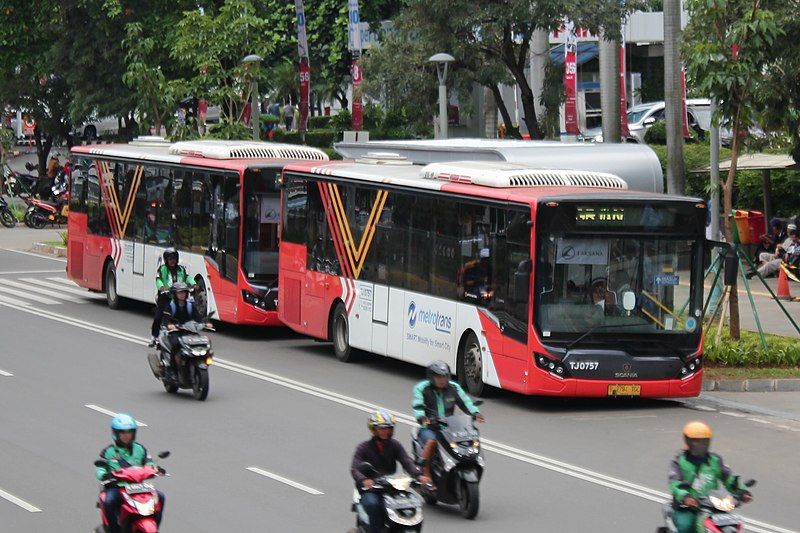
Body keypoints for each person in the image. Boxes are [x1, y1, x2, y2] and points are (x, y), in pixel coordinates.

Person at [351, 410, 431, 533]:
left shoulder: (395, 445)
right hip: (372, 489)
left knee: (414, 502)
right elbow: (355, 468)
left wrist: (419, 475)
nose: (385, 431)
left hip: (391, 486)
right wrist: (364, 480)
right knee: (373, 504)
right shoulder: (363, 448)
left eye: (388, 428)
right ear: (374, 429)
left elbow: (406, 461)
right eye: (381, 428)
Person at [667, 421, 752, 533]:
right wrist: (685, 497)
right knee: (685, 526)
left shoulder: (715, 460)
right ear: (688, 441)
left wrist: (742, 491)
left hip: (713, 504)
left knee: (733, 524)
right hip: (687, 506)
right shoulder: (679, 461)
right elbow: (675, 483)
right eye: (696, 442)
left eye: (704, 441)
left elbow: (728, 477)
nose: (700, 445)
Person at [412, 361, 484, 481]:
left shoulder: (454, 388)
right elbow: (418, 405)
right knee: (431, 442)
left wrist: (475, 413)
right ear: (431, 377)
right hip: (430, 427)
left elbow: (466, 402)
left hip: (450, 427)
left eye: (445, 376)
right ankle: (425, 473)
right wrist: (422, 417)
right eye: (438, 376)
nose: (442, 380)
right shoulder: (422, 388)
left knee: (470, 438)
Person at [96, 413, 165, 533]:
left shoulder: (140, 449)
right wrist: (104, 474)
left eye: (129, 432)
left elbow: (149, 463)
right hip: (117, 487)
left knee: (161, 496)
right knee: (108, 501)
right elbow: (100, 468)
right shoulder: (108, 451)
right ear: (116, 434)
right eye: (122, 433)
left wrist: (155, 470)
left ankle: (155, 527)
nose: (126, 436)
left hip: (138, 487)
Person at [149, 248, 195, 346]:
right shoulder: (162, 269)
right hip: (165, 296)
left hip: (178, 296)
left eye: (174, 259)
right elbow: (158, 279)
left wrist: (193, 284)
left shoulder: (181, 269)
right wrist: (161, 287)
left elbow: (188, 278)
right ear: (166, 260)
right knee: (159, 316)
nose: (172, 261)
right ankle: (154, 336)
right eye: (170, 259)